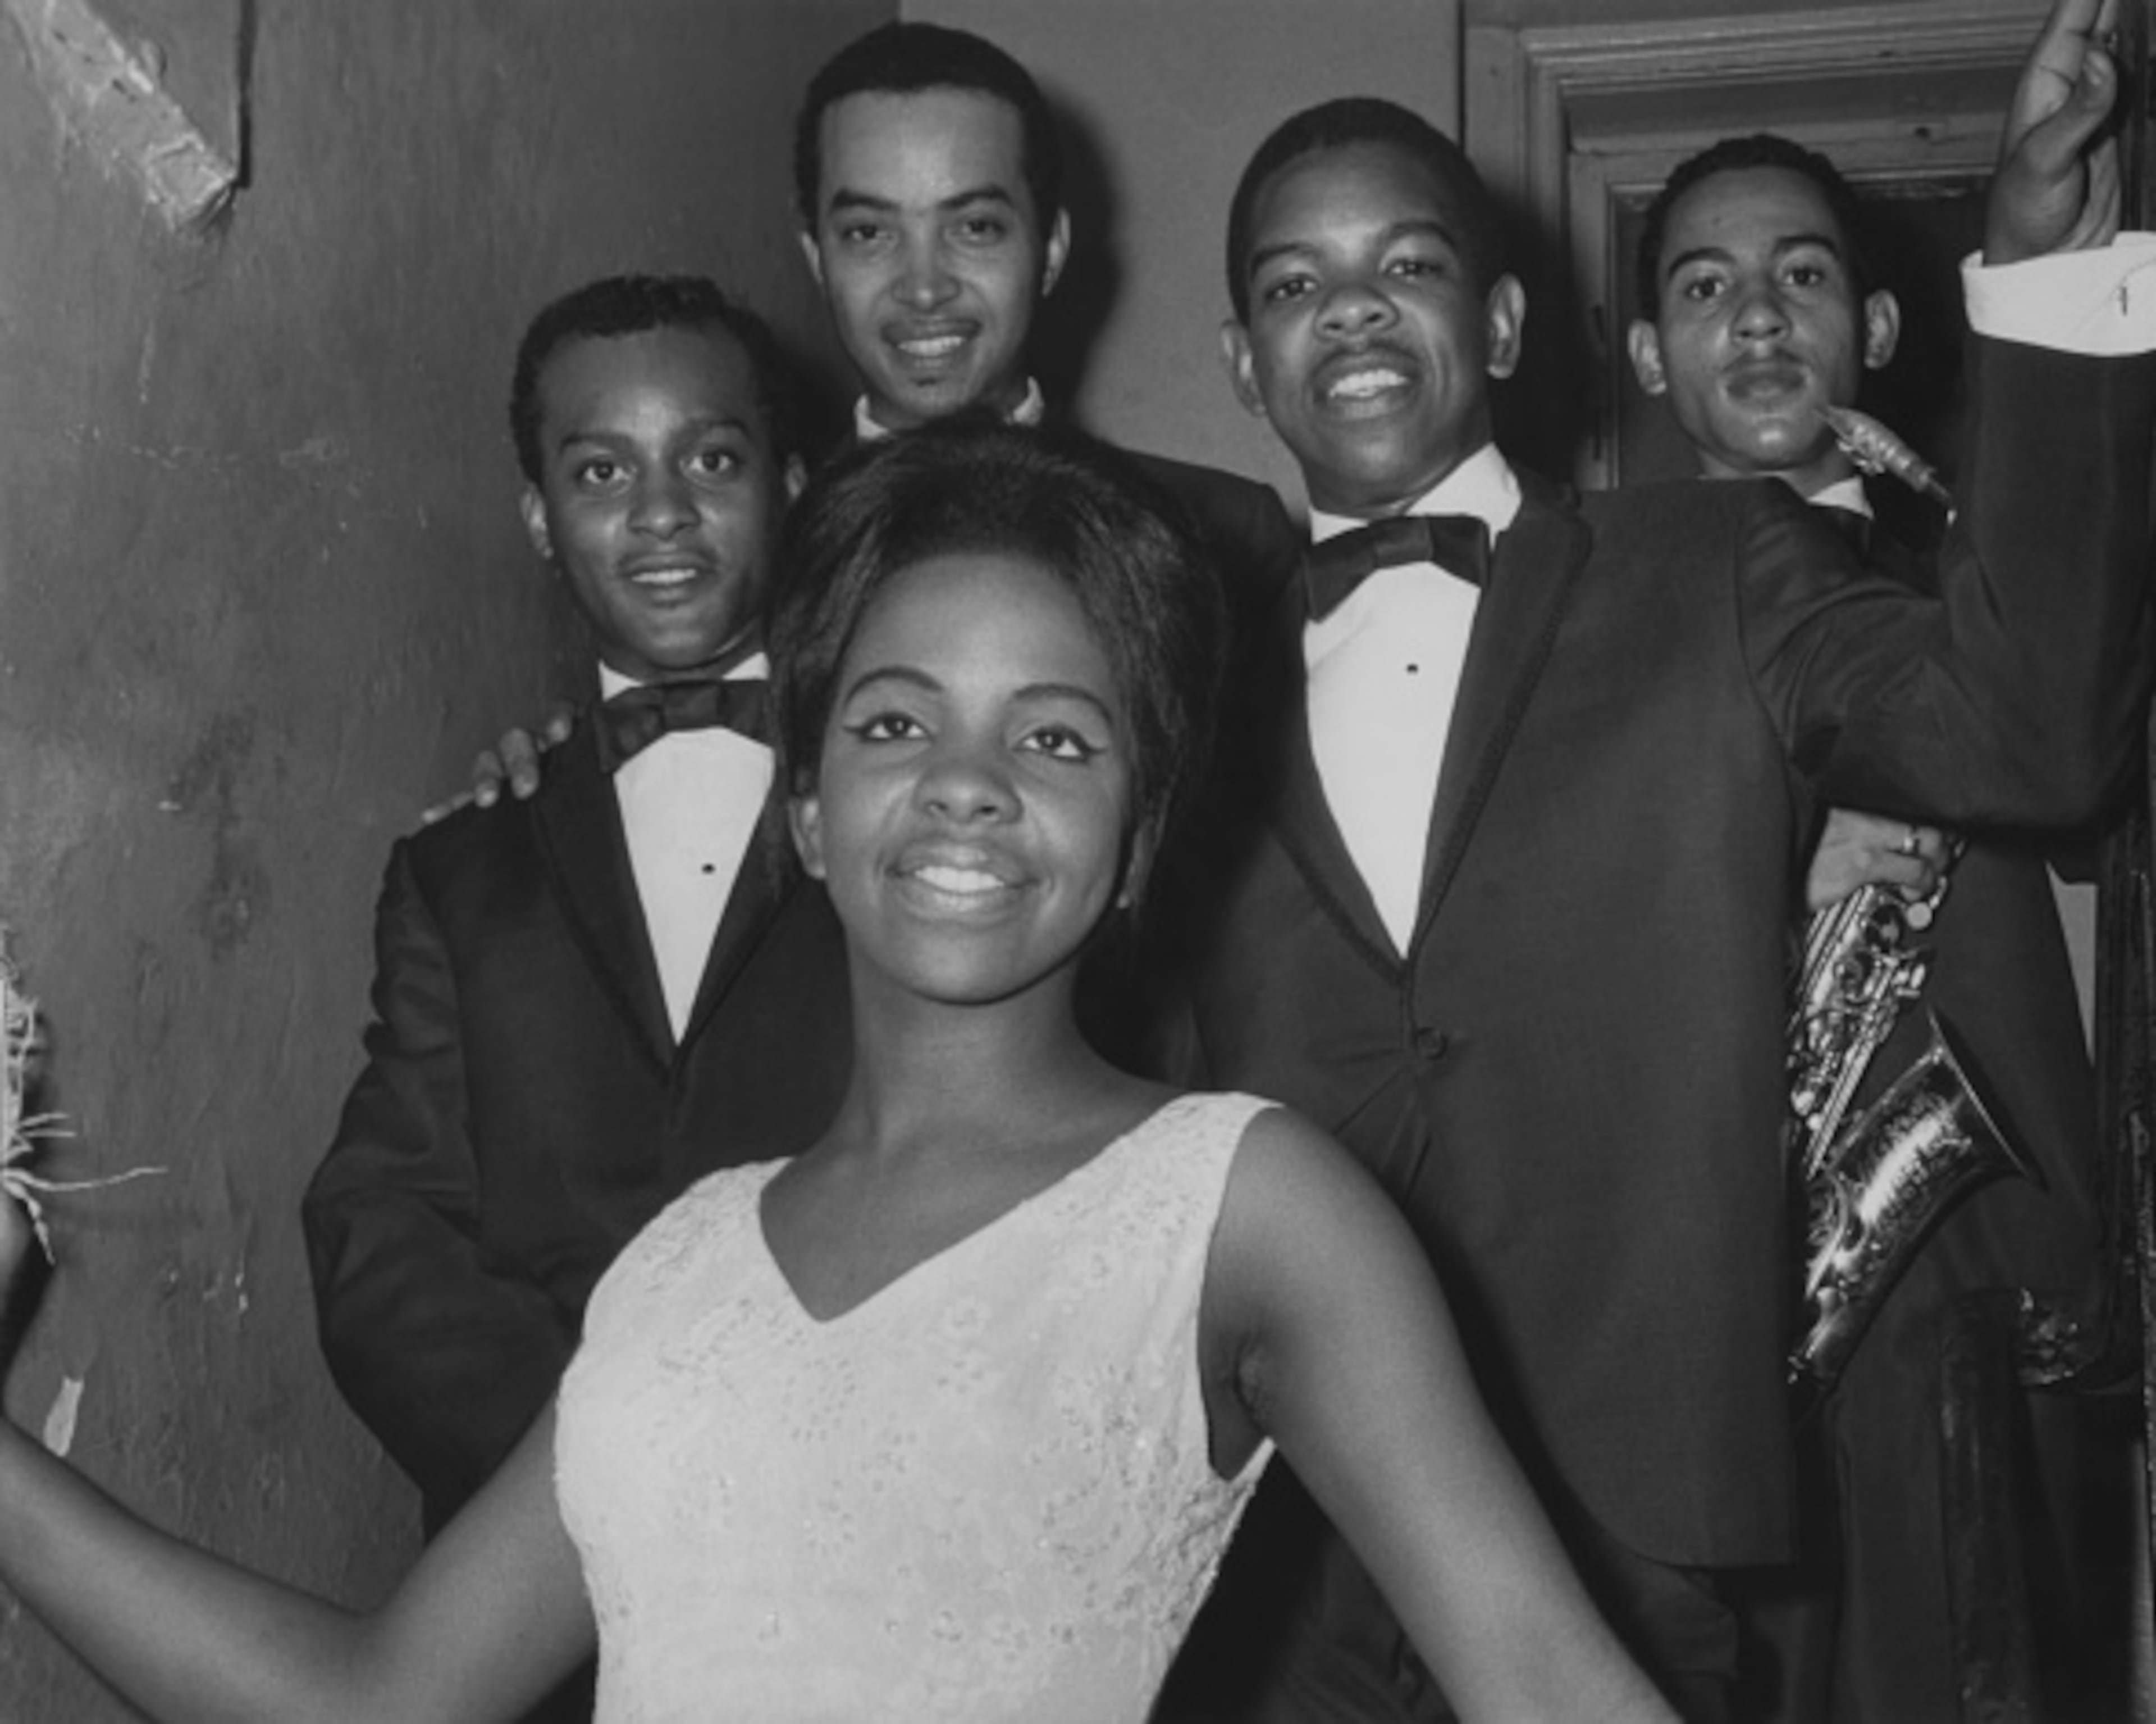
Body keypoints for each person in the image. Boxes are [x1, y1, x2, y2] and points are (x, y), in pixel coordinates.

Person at [0, 420, 1677, 1724]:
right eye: (893, 723)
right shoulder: (680, 1267)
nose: (966, 783)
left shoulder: (1249, 1207)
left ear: (1141, 840)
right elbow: (375, 1701)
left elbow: (1547, 1682)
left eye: (1057, 735)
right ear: (805, 810)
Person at [1159, 3, 2155, 1718]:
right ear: (1245, 358)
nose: (1356, 314)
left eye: (1407, 263)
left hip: (1653, 1543)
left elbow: (2040, 737)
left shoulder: (1719, 557)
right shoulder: (1172, 661)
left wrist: (2045, 278)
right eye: (1295, 284)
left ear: (1507, 317)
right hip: (1281, 1571)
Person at [300, 276, 854, 1716]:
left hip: (865, 1575)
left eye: (712, 461)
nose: (660, 514)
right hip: (541, 1615)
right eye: (602, 471)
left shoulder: (908, 809)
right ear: (542, 514)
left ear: (791, 486)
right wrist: (601, 1477)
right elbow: (382, 1224)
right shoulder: (459, 863)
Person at [1628, 130, 2119, 1722]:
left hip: (1975, 1308)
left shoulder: (1999, 574)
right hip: (1697, 1307)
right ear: (1647, 357)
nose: (1758, 316)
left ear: (1882, 331)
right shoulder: (1580, 621)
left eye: (1804, 275)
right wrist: (1756, 850)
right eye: (1706, 285)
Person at [453, 21, 1297, 820]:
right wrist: (545, 786)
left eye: (973, 227)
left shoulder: (1226, 538)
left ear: (1051, 248)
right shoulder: (742, 548)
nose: (923, 287)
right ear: (816, 254)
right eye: (869, 232)